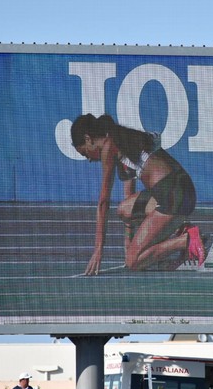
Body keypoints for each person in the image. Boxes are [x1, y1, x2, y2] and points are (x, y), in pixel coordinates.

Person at [70, 113, 205, 273]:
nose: (89, 160)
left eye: (85, 153)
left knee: (133, 262)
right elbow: (129, 195)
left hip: (173, 197)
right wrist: (130, 240)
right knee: (124, 210)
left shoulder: (108, 147)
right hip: (182, 191)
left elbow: (103, 202)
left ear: (88, 139)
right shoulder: (120, 139)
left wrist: (98, 250)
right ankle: (182, 229)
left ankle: (187, 240)